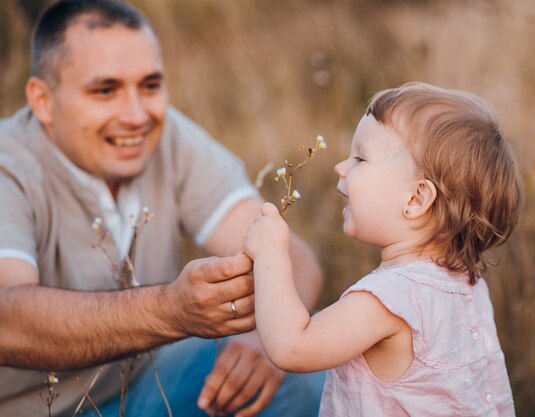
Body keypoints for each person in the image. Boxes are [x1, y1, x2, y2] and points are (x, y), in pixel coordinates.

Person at [0, 1, 325, 416]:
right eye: (105, 90)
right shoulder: (9, 164)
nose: (137, 115)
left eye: (150, 85)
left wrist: (269, 339)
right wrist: (173, 311)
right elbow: (6, 319)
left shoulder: (166, 134)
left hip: (146, 387)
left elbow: (294, 256)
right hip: (40, 410)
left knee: (303, 371)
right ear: (42, 100)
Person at [243, 82, 521, 416]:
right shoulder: (468, 288)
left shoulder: (387, 300)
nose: (341, 167)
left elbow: (292, 346)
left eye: (360, 158)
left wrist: (271, 255)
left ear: (415, 199)